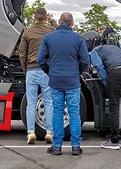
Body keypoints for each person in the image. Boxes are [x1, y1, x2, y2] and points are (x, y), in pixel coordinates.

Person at [37, 12, 90, 156]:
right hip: (72, 81)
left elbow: (40, 59)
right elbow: (85, 60)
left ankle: (56, 146)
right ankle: (76, 146)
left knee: (57, 112)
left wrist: (49, 71)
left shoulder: (48, 38)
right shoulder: (78, 38)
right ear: (72, 23)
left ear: (59, 22)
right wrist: (77, 71)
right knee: (74, 113)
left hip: (55, 80)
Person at [18, 7, 55, 144]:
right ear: (45, 18)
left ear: (34, 18)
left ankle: (31, 132)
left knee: (31, 103)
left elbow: (22, 53)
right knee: (48, 102)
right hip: (46, 70)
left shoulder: (27, 32)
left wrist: (25, 68)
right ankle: (49, 132)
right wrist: (53, 21)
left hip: (31, 70)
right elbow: (60, 32)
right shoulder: (51, 31)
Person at [90, 41, 121, 150]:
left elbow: (99, 67)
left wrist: (107, 83)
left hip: (116, 72)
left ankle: (114, 140)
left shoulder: (95, 51)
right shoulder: (115, 48)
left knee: (114, 107)